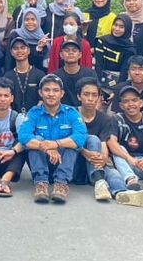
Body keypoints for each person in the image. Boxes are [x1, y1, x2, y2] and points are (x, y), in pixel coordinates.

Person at [74, 78, 143, 206]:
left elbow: (104, 142)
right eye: (86, 94)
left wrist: (104, 158)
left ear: (99, 97)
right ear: (79, 96)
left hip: (96, 162)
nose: (90, 99)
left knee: (114, 173)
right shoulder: (71, 115)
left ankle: (122, 193)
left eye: (94, 95)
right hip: (75, 162)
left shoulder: (105, 119)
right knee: (92, 139)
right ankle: (100, 181)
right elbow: (70, 142)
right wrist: (86, 153)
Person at [20, 74, 86, 204]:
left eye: (55, 90)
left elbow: (81, 137)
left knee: (71, 145)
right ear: (40, 93)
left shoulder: (71, 112)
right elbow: (23, 137)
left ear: (62, 93)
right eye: (47, 90)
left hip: (65, 163)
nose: (51, 94)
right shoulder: (34, 112)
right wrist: (45, 147)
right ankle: (41, 184)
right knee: (34, 143)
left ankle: (61, 184)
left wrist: (55, 144)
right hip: (42, 161)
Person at [94, 14, 136, 100]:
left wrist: (117, 91)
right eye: (115, 25)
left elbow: (124, 71)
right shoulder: (102, 41)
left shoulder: (130, 49)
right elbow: (98, 65)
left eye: (121, 27)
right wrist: (98, 88)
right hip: (100, 82)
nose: (117, 29)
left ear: (127, 29)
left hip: (118, 84)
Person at [52, 41, 99, 108]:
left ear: (80, 55)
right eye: (67, 50)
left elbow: (98, 96)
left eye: (74, 50)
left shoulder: (90, 74)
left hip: (85, 112)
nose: (70, 53)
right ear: (61, 55)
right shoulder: (55, 76)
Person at [5, 37, 43, 113]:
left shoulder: (40, 74)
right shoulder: (7, 76)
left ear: (28, 51)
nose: (19, 51)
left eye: (23, 48)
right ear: (11, 53)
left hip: (35, 117)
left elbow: (43, 99)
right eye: (16, 48)